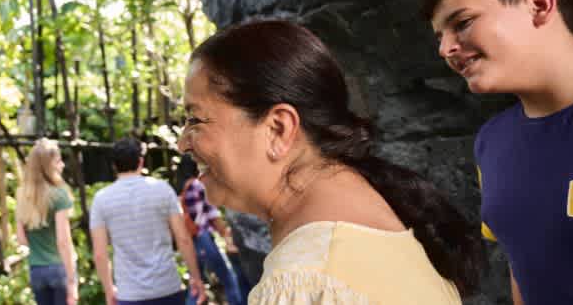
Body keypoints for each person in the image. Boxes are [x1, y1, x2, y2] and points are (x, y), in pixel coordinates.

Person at [180, 19, 481, 304]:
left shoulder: (306, 282)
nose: (182, 144)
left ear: (278, 129)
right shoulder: (373, 209)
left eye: (195, 119)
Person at [424, 0, 573, 305]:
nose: (445, 49)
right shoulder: (492, 141)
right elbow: (525, 268)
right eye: (439, 36)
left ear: (538, 4)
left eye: (462, 22)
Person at [90, 138, 206, 305]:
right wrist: (196, 278)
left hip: (129, 293)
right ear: (141, 161)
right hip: (167, 287)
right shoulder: (162, 190)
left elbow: (100, 254)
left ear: (114, 165)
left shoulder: (101, 200)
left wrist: (109, 290)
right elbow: (183, 239)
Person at [15, 139, 78, 305]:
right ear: (48, 165)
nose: (62, 165)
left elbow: (21, 239)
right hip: (58, 268)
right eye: (58, 161)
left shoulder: (23, 195)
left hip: (36, 270)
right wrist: (72, 280)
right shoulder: (59, 195)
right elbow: (63, 241)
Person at [176, 156, 244, 305]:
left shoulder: (180, 187)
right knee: (228, 279)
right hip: (203, 237)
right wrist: (225, 234)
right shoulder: (198, 185)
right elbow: (212, 214)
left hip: (190, 241)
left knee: (196, 283)